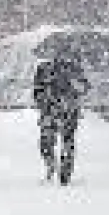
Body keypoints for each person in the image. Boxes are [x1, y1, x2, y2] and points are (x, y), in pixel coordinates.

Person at [32, 46, 91, 185]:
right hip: (50, 110)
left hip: (67, 111)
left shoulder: (74, 69)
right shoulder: (44, 68)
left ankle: (64, 173)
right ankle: (53, 166)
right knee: (48, 143)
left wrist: (75, 90)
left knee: (65, 142)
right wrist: (44, 99)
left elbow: (84, 88)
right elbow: (36, 90)